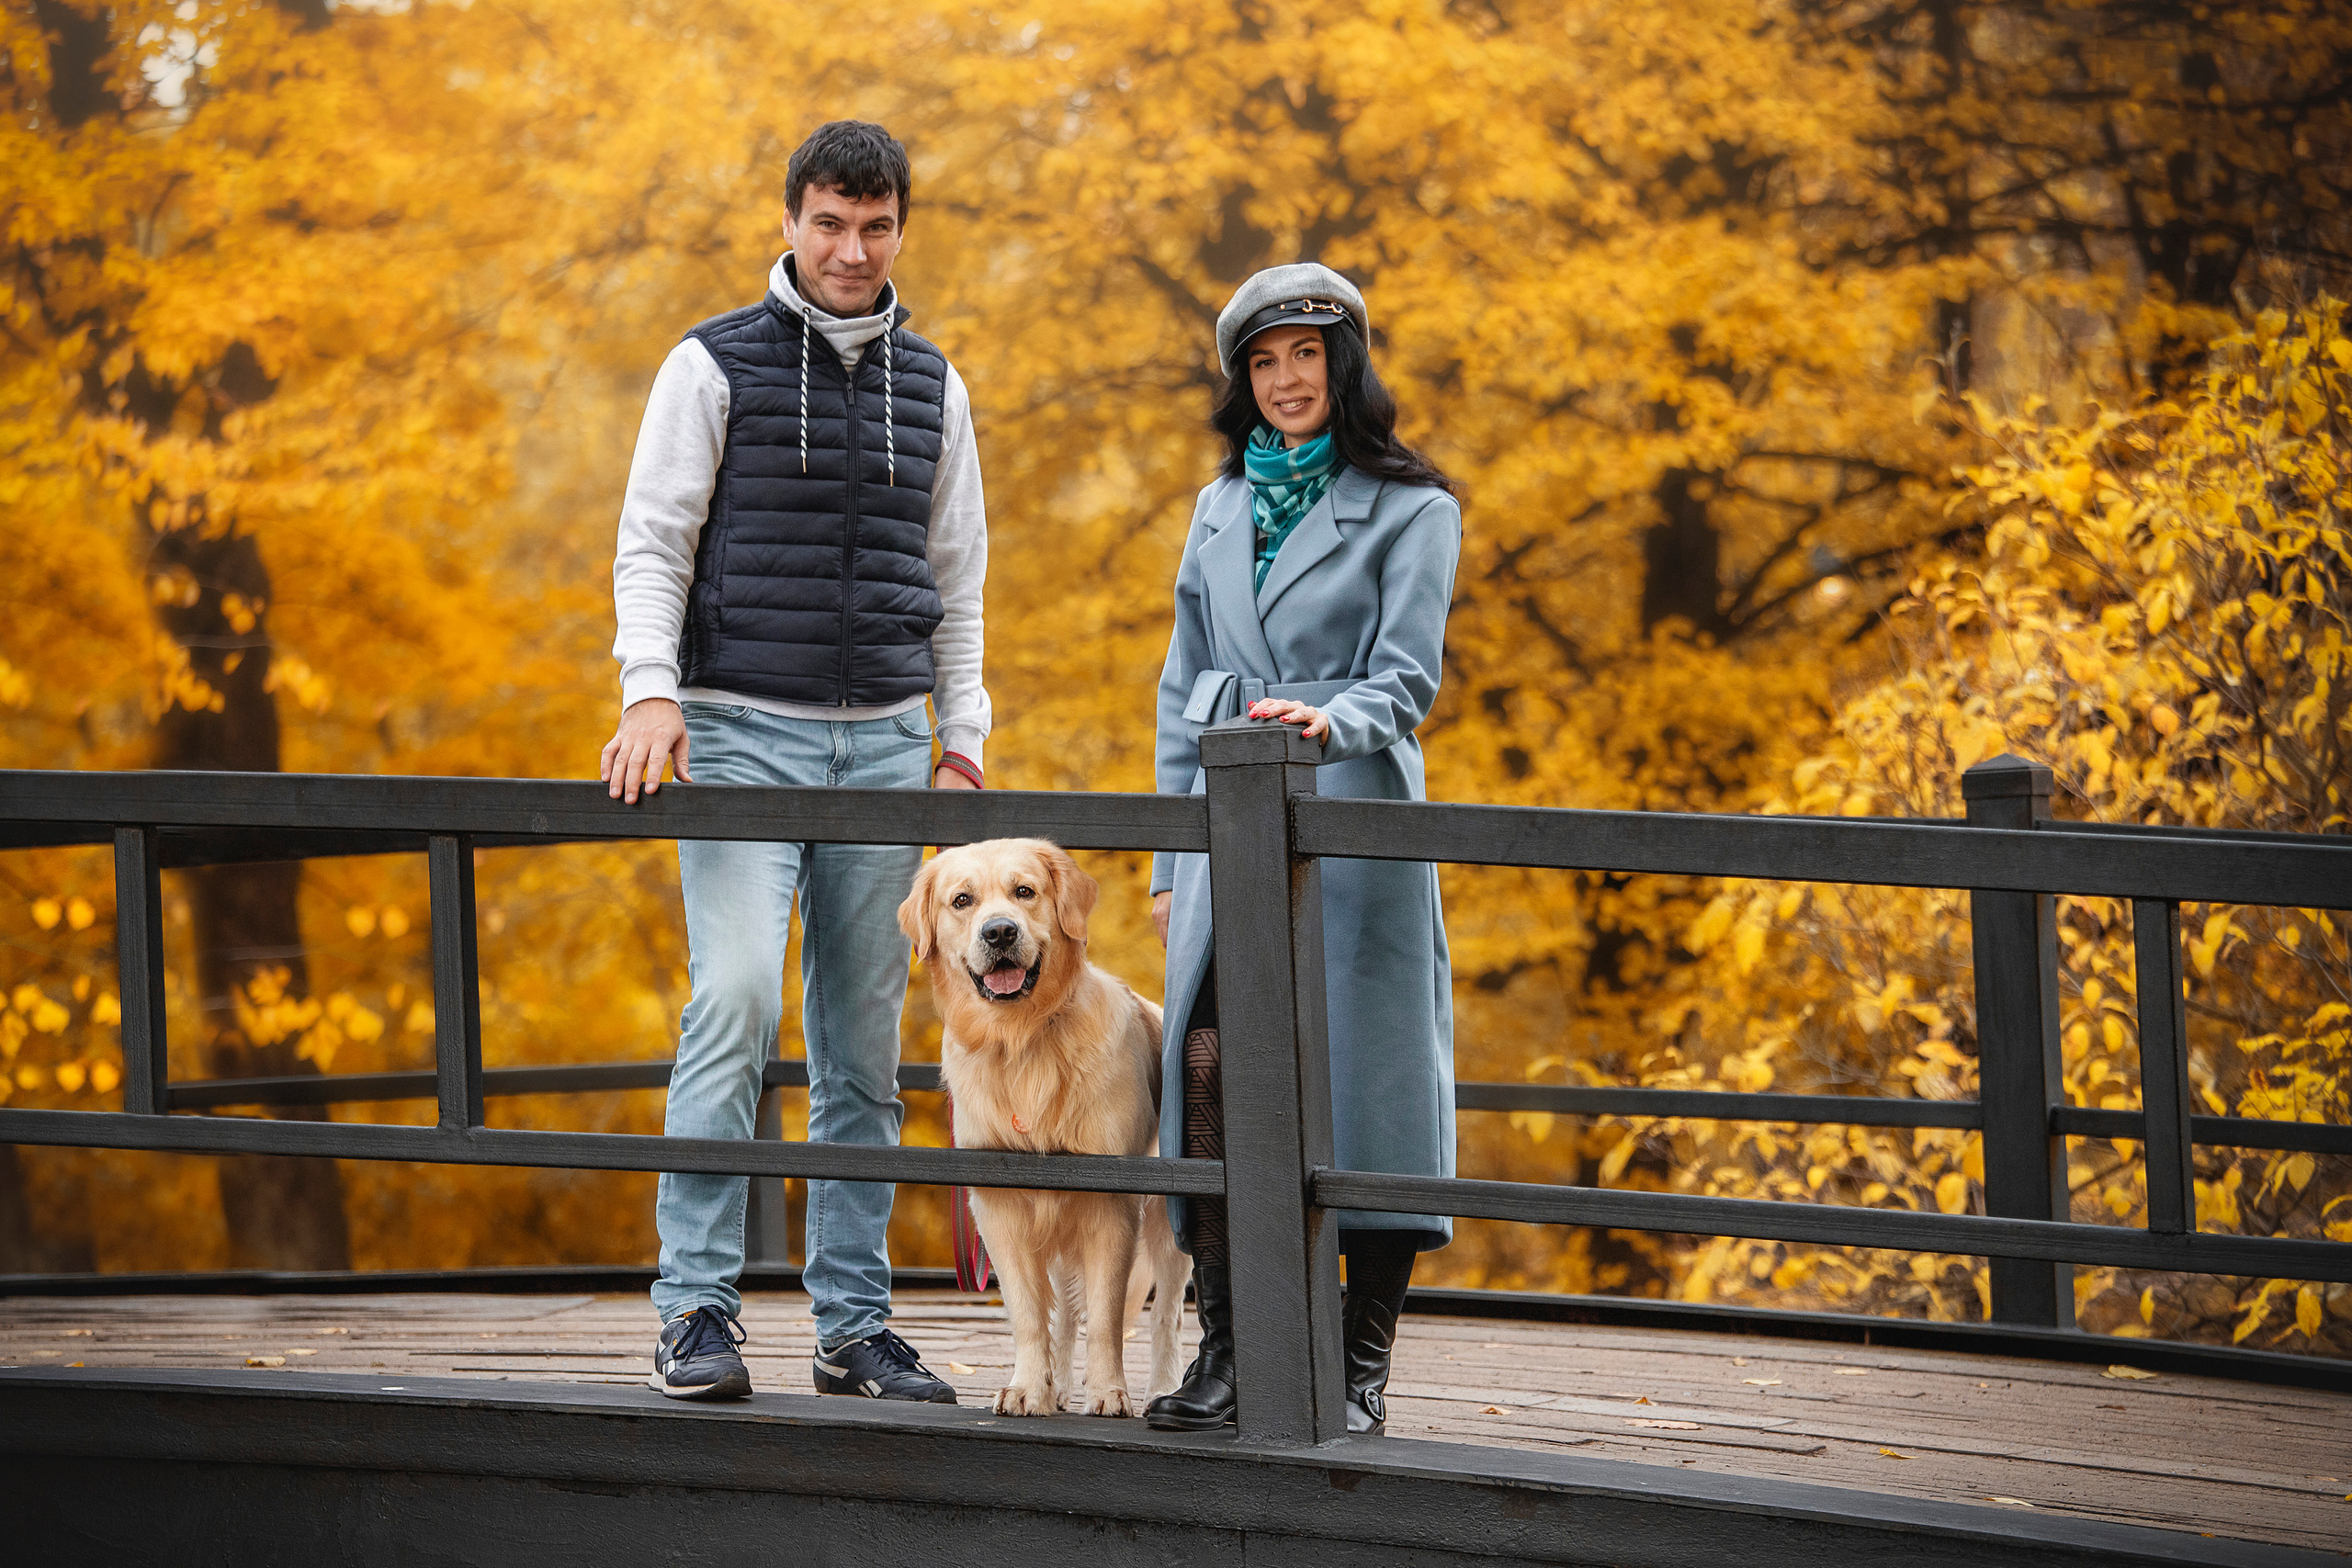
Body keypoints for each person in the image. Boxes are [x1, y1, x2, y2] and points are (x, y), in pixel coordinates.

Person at [603, 120, 988, 1404]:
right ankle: (695, 1308)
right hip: (738, 734)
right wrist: (649, 692)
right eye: (829, 222)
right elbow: (653, 539)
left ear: (900, 231)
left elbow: (957, 577)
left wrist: (962, 740)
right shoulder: (709, 364)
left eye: (875, 227)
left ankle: (853, 1326)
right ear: (789, 223)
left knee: (864, 1049)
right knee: (731, 1006)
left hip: (886, 744)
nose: (851, 249)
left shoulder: (934, 384)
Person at [1143, 263, 1461, 1435]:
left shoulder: (1415, 508)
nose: (1285, 380)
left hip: (1353, 814)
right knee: (1208, 1066)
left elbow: (1408, 679)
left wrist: (1330, 720)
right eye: (1264, 361)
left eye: (1306, 356)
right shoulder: (1216, 506)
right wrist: (1171, 866)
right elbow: (1181, 685)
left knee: (1373, 1088)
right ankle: (1231, 1352)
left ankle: (1358, 1365)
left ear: (1344, 364)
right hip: (1226, 816)